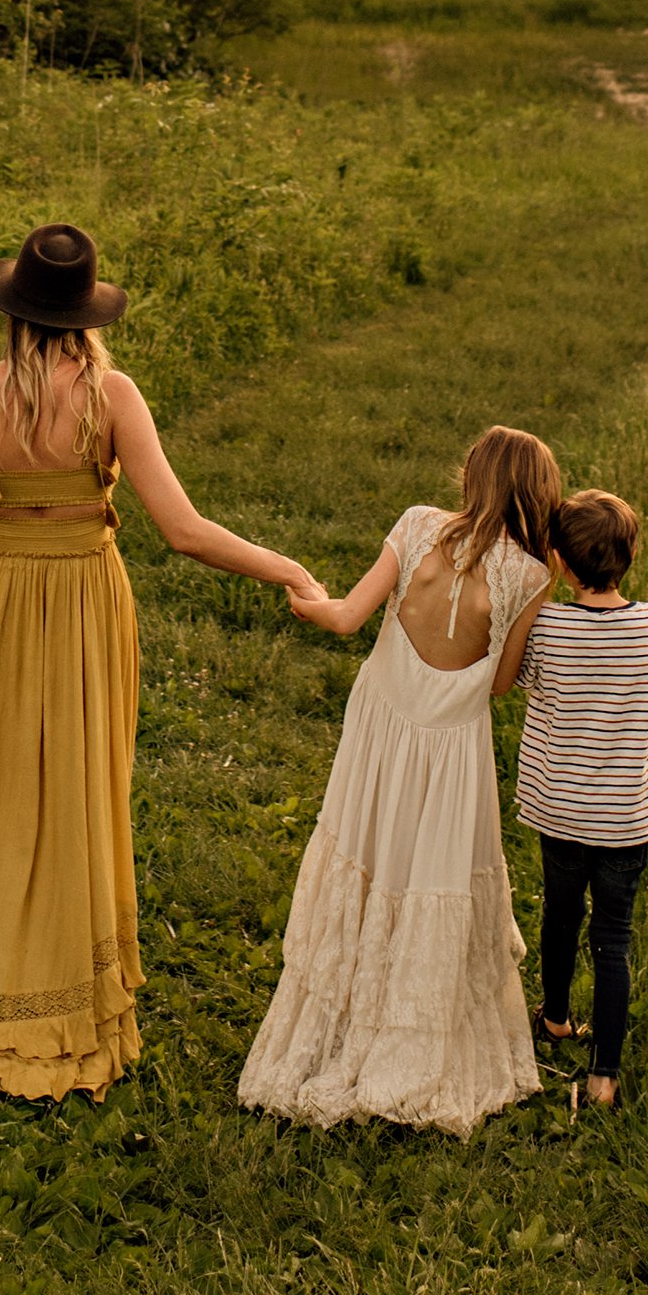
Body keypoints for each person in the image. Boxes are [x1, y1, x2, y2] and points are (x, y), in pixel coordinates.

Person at [0, 221, 326, 1104]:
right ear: (87, 312)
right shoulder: (112, 395)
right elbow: (184, 530)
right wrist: (287, 565)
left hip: (5, 591)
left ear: (12, 309)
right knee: (83, 776)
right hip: (87, 590)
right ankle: (72, 974)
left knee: (1, 776)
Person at [238, 424, 561, 1135]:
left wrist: (306, 595)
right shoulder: (533, 576)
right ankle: (415, 1034)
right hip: (453, 749)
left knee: (372, 853)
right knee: (432, 872)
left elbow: (350, 617)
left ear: (471, 476)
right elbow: (502, 682)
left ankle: (347, 1010)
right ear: (538, 496)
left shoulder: (418, 525)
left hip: (382, 724)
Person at [503, 488, 648, 1112]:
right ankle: (604, 1076)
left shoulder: (548, 626)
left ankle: (555, 1019)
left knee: (560, 916)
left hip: (558, 808)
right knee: (614, 941)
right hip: (624, 818)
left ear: (558, 560)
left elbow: (523, 687)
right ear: (630, 554)